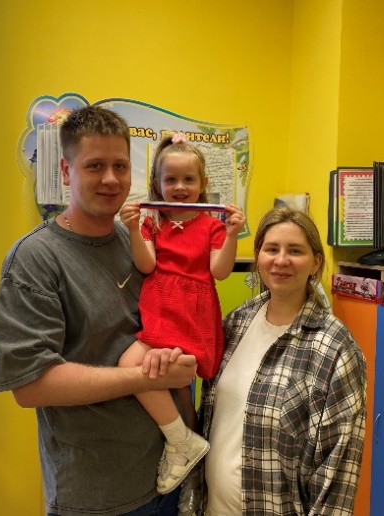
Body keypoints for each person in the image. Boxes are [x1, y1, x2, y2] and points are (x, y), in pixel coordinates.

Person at [0, 106, 199, 516]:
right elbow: (31, 386)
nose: (111, 179)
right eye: (95, 166)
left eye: (120, 166)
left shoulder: (137, 244)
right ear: (66, 171)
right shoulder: (35, 260)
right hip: (96, 496)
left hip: (168, 475)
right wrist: (146, 377)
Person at [199, 206, 367, 515]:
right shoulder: (236, 323)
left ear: (316, 262)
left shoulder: (334, 347)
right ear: (258, 256)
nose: (281, 260)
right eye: (272, 249)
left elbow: (338, 474)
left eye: (295, 251)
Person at [119, 132, 246, 497]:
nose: (179, 187)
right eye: (170, 179)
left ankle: (181, 442)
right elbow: (146, 265)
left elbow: (220, 271)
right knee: (169, 383)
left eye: (188, 179)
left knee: (143, 369)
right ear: (157, 184)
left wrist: (232, 234)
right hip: (160, 306)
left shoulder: (212, 224)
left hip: (192, 312)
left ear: (203, 184)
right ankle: (188, 444)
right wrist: (133, 228)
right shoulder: (151, 221)